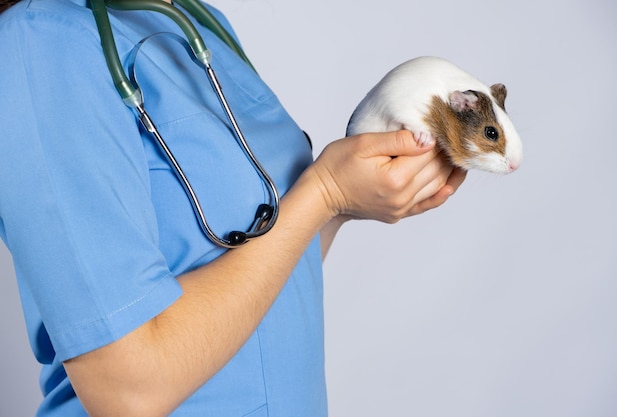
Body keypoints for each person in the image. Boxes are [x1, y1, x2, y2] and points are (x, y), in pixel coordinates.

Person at [0, 0, 466, 415]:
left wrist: (341, 205)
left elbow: (257, 273)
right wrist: (324, 192)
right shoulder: (41, 40)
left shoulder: (195, 20)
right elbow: (127, 394)